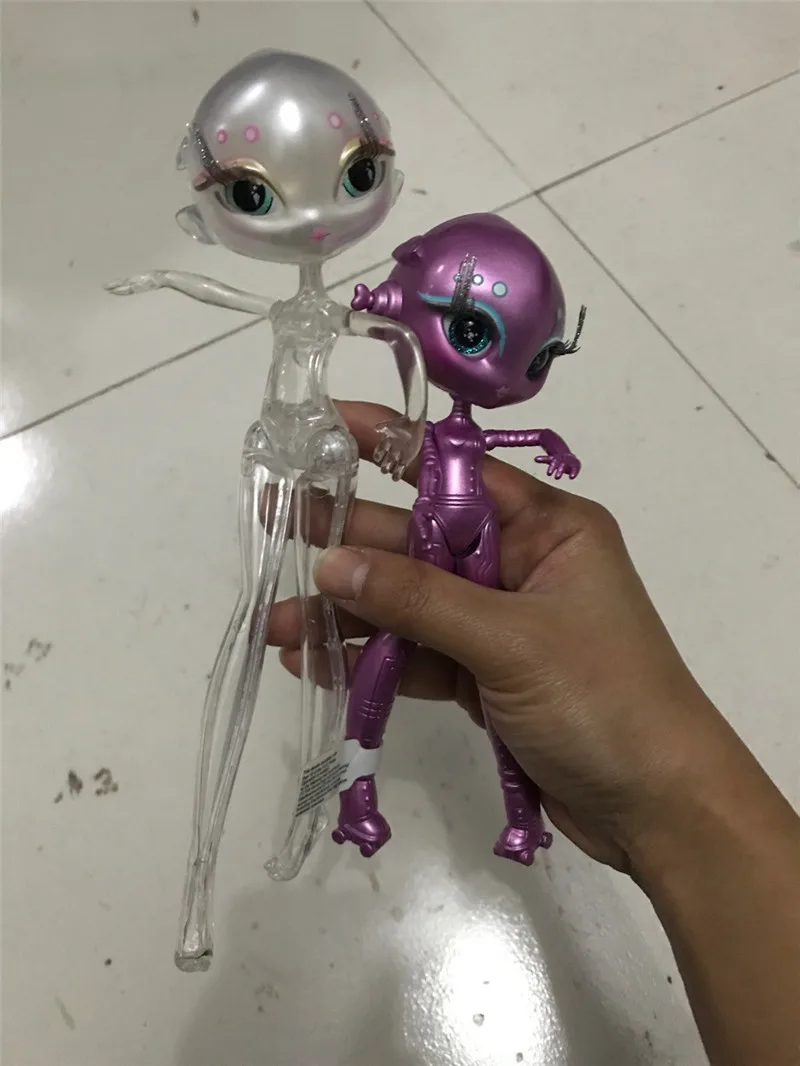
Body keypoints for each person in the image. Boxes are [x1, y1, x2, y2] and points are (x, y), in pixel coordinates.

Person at [268, 401, 800, 1066]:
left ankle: (516, 819)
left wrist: (554, 443)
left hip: (477, 535)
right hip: (437, 527)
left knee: (473, 678)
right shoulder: (431, 436)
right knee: (395, 648)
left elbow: (526, 431)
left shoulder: (458, 437)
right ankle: (357, 801)